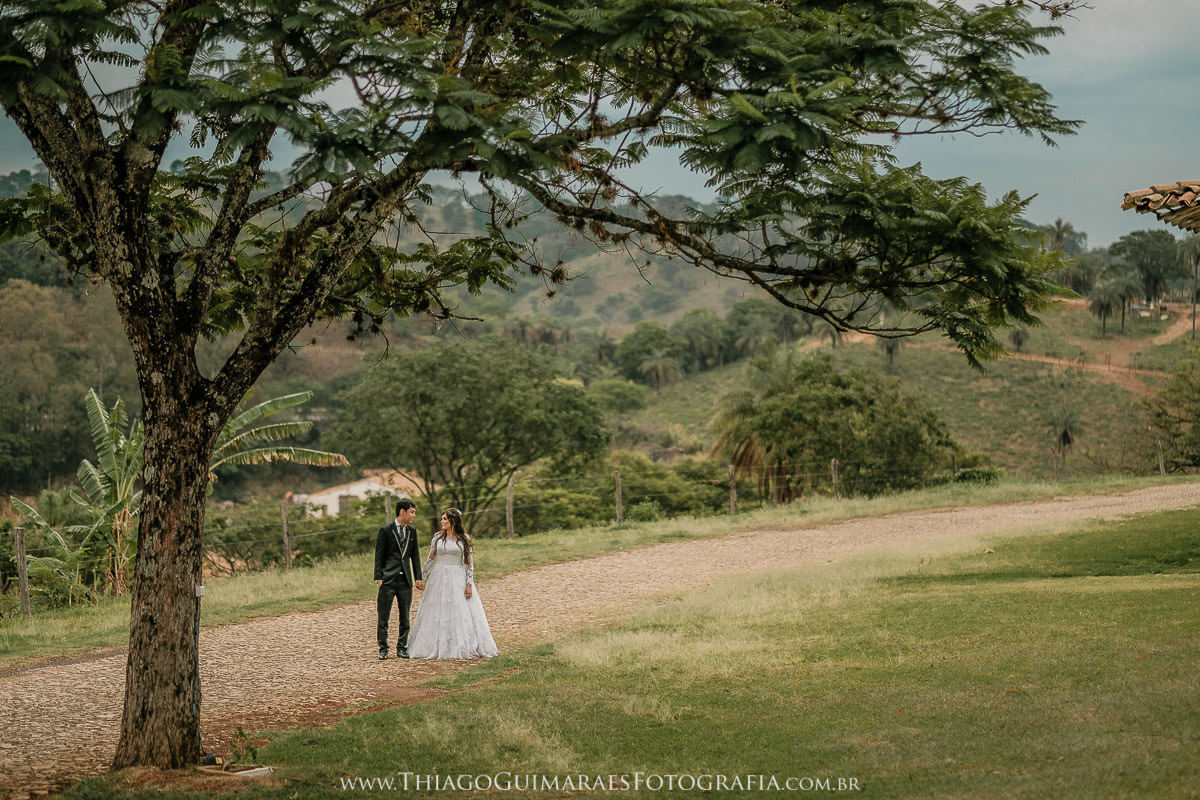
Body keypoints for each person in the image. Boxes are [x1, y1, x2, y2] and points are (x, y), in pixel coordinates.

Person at [407, 507, 498, 659]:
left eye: (445, 519)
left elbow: (469, 563)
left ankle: (459, 644)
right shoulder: (437, 537)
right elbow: (431, 558)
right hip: (439, 575)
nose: (442, 522)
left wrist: (469, 584)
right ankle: (435, 644)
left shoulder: (464, 539)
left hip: (457, 575)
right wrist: (420, 577)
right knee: (436, 609)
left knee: (458, 609)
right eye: (442, 519)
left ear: (453, 521)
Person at [374, 498, 424, 660]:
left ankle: (401, 647)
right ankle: (383, 648)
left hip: (405, 581)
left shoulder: (412, 532)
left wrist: (418, 577)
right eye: (412, 512)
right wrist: (379, 577)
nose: (413, 515)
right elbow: (379, 555)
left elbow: (415, 556)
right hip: (387, 580)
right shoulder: (385, 531)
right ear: (402, 512)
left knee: (405, 617)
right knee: (383, 617)